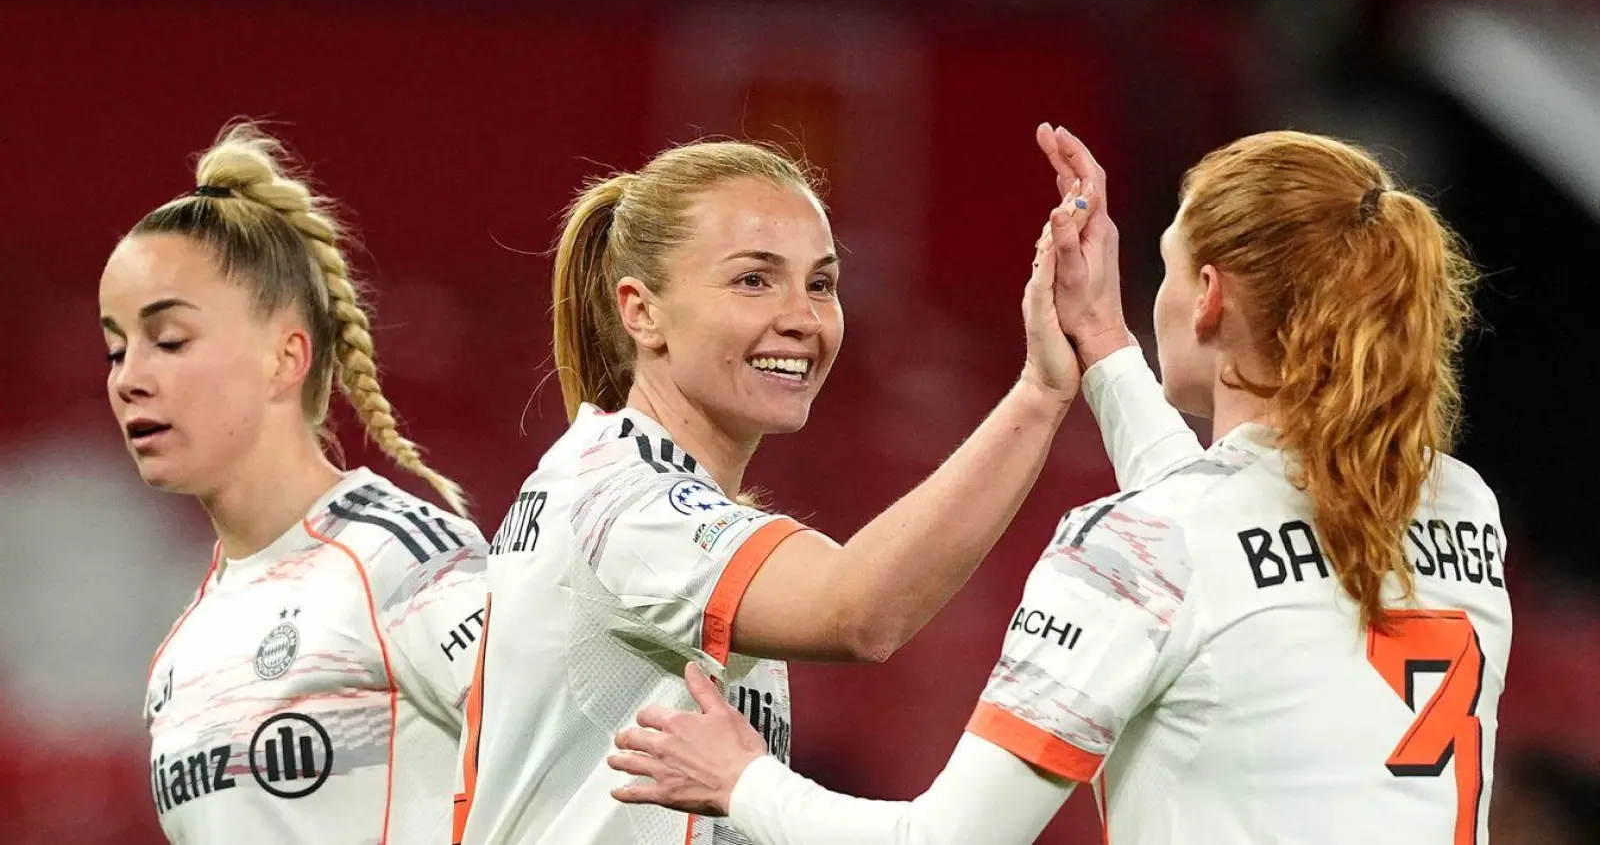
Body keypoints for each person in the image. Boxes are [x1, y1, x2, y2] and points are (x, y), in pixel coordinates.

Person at [609, 128, 1509, 845]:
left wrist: (742, 780)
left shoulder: (1144, 544)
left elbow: (944, 838)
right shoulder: (1466, 507)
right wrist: (1105, 345)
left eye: (1161, 265)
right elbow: (1224, 541)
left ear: (1206, 297)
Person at [450, 132, 1171, 845]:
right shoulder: (624, 500)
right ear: (642, 311)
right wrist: (1040, 392)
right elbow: (859, 612)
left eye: (820, 283)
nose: (802, 319)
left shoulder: (602, 474)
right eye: (753, 280)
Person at [103, 122, 490, 844]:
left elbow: (583, 770)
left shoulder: (400, 561)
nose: (128, 380)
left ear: (285, 359)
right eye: (115, 350)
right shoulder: (179, 655)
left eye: (170, 341)